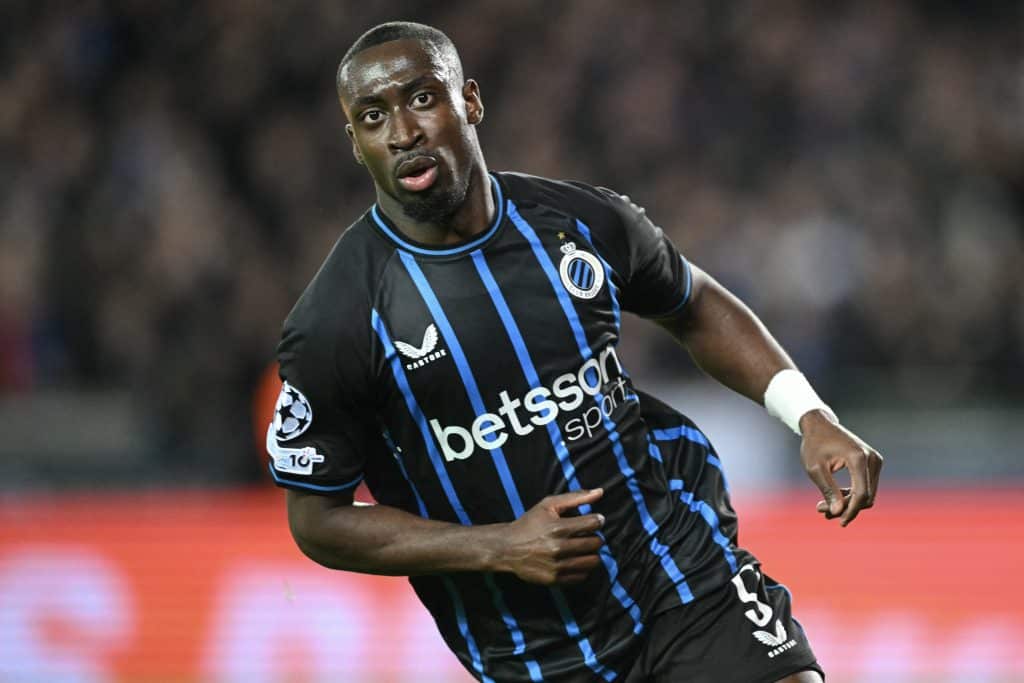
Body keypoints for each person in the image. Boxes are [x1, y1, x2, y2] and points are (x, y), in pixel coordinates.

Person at [267, 21, 883, 683]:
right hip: (536, 654)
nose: (403, 131)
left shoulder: (577, 222)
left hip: (679, 575)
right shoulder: (337, 317)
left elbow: (694, 304)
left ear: (469, 101)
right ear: (356, 144)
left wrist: (808, 414)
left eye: (422, 98)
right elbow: (317, 518)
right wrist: (497, 546)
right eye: (373, 116)